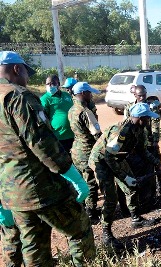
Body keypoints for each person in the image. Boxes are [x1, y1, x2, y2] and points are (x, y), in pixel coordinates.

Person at [0, 51, 95, 266]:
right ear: (17, 69)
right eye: (26, 72)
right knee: (79, 228)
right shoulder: (18, 97)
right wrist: (74, 176)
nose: (27, 78)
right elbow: (43, 144)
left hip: (12, 193)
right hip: (40, 188)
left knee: (34, 243)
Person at [89, 103, 161, 229]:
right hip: (101, 161)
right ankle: (106, 232)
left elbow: (143, 151)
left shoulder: (140, 130)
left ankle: (136, 219)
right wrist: (124, 177)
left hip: (117, 158)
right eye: (147, 118)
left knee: (132, 188)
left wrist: (158, 164)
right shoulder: (121, 132)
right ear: (140, 118)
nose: (149, 121)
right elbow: (108, 157)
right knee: (111, 198)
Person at [123, 85, 161, 197]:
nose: (142, 97)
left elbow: (155, 123)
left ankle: (160, 187)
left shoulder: (152, 106)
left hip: (150, 140)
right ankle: (147, 192)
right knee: (142, 166)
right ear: (135, 95)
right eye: (140, 96)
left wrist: (155, 141)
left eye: (144, 95)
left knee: (157, 162)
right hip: (137, 141)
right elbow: (127, 123)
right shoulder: (129, 107)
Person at [68, 82, 102, 221]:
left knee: (79, 182)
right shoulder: (85, 112)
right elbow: (96, 134)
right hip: (87, 152)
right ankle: (91, 212)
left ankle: (80, 208)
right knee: (90, 183)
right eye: (89, 92)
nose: (91, 95)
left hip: (76, 150)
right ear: (82, 93)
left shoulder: (72, 109)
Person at [40, 74, 74, 154]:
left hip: (73, 134)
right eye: (47, 84)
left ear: (58, 84)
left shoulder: (67, 95)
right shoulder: (45, 99)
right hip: (58, 136)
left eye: (52, 83)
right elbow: (43, 118)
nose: (50, 86)